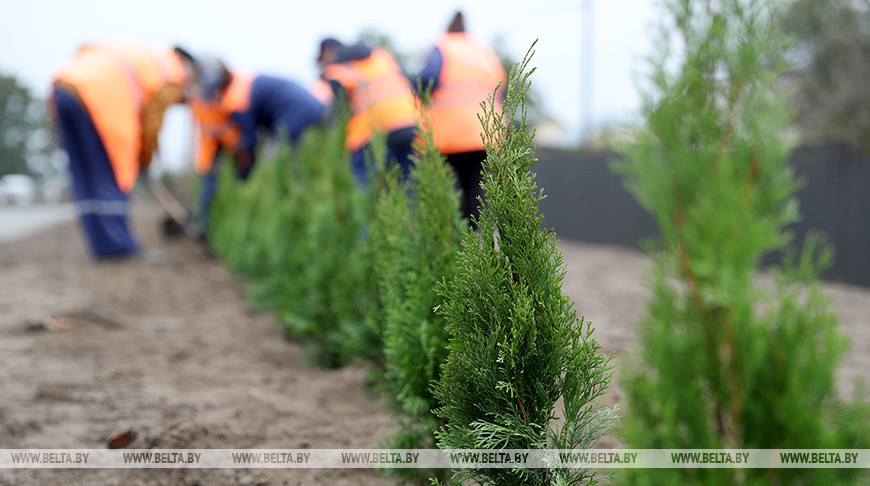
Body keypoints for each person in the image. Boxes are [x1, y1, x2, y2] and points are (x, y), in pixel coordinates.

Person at [51, 38, 198, 260]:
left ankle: (102, 246)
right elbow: (151, 123)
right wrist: (145, 159)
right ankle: (118, 246)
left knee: (85, 175)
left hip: (64, 86)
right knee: (110, 173)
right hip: (98, 100)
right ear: (186, 63)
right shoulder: (171, 72)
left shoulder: (146, 57)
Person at [192, 59, 327, 236]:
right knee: (299, 164)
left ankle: (291, 218)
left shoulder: (237, 100)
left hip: (297, 114)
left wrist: (244, 174)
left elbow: (249, 142)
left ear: (218, 87)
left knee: (285, 167)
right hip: (310, 109)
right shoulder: (240, 83)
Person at [413, 11, 507, 227]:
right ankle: (473, 245)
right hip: (486, 133)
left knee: (445, 193)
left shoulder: (443, 47)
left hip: (450, 134)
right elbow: (502, 86)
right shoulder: (484, 51)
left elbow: (427, 80)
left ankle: (451, 242)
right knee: (475, 192)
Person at [317, 37, 418, 184]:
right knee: (407, 184)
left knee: (365, 186)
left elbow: (339, 113)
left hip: (373, 131)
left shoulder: (336, 69)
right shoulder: (382, 56)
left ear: (328, 52)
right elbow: (413, 83)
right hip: (410, 123)